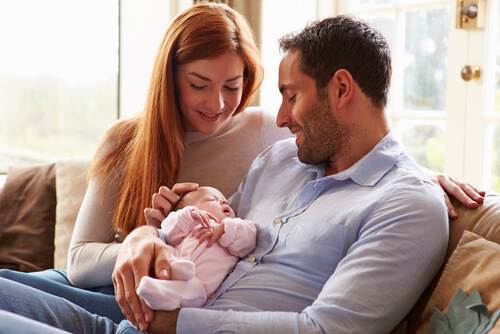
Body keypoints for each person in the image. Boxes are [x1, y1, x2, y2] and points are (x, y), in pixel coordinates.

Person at [0, 5, 486, 334]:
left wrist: (421, 176)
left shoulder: (405, 204)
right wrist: (153, 235)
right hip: (143, 314)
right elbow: (212, 233)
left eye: (290, 96)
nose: (278, 117)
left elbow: (326, 330)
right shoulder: (282, 159)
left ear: (341, 90)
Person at [0, 2, 289, 323]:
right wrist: (147, 239)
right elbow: (80, 261)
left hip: (171, 301)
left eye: (232, 86)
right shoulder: (124, 141)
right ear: (170, 77)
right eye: (198, 85)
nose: (217, 103)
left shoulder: (268, 131)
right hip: (111, 284)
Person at [138, 186, 256, 311]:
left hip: (200, 284)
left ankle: (156, 292)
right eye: (212, 199)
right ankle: (159, 282)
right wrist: (188, 215)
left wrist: (222, 229)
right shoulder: (187, 226)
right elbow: (168, 231)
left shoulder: (233, 228)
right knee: (165, 252)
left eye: (225, 200)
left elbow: (248, 239)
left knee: (190, 292)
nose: (225, 202)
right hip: (177, 259)